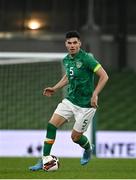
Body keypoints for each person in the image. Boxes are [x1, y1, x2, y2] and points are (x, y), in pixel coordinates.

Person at [29, 30, 108, 171]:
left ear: (79, 44)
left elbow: (104, 76)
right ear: (66, 44)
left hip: (86, 105)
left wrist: (95, 94)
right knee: (51, 126)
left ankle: (89, 148)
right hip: (70, 101)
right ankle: (45, 159)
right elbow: (68, 76)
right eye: (69, 43)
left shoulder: (87, 59)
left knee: (75, 137)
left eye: (75, 43)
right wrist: (55, 88)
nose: (72, 45)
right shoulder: (67, 59)